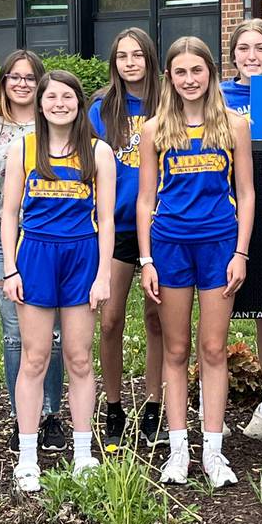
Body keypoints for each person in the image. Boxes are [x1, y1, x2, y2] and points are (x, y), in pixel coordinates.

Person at [138, 37, 255, 489]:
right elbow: (146, 198)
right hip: (169, 246)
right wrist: (146, 259)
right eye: (181, 72)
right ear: (169, 77)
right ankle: (178, 451)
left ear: (211, 73)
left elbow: (245, 193)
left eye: (197, 71)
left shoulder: (233, 125)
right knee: (174, 349)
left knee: (212, 348)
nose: (190, 80)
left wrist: (241, 252)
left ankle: (213, 451)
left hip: (220, 244)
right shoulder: (154, 129)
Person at [1, 71, 115, 493]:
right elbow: (9, 213)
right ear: (41, 102)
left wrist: (103, 274)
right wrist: (11, 269)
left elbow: (106, 219)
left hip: (81, 256)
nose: (59, 103)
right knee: (34, 358)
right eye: (52, 97)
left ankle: (83, 452)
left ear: (79, 103)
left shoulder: (98, 152)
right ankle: (28, 454)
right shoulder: (23, 147)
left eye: (68, 96)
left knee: (79, 359)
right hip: (36, 257)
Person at [0, 50, 65, 454]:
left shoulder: (57, 123)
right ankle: (23, 418)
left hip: (52, 236)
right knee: (16, 334)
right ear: (3, 83)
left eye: (30, 78)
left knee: (54, 334)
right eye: (14, 77)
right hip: (1, 234)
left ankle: (52, 416)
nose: (22, 84)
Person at [89, 30, 164, 447]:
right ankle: (114, 406)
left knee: (157, 320)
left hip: (157, 227)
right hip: (115, 228)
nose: (130, 62)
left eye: (137, 55)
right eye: (122, 56)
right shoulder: (102, 108)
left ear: (149, 59)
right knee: (111, 318)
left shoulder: (167, 104)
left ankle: (154, 405)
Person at [221, 18, 262, 440]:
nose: (252, 56)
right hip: (228, 217)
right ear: (232, 57)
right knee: (219, 312)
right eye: (243, 48)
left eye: (260, 48)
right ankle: (214, 409)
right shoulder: (216, 97)